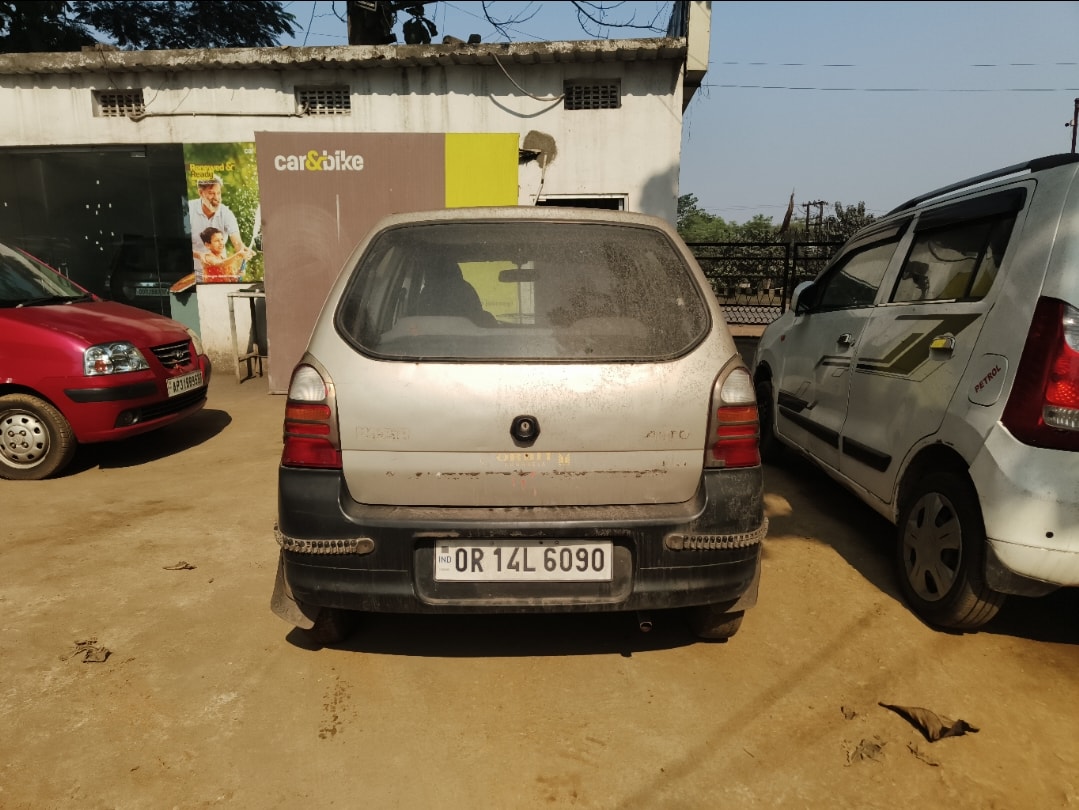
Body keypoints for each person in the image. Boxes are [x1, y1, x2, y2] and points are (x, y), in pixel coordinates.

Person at [188, 175, 252, 282]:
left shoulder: (226, 214)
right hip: (192, 275)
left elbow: (237, 243)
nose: (216, 198)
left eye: (219, 193)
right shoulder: (188, 210)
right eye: (211, 193)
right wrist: (198, 255)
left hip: (219, 275)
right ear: (200, 193)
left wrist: (243, 255)